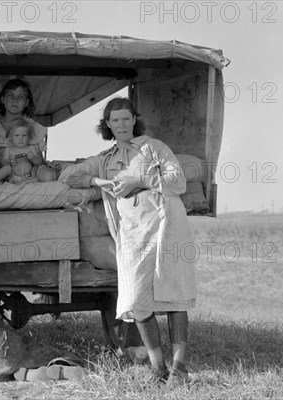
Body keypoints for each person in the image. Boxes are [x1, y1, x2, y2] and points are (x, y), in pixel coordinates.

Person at [61, 98, 196, 385]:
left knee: (174, 293)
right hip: (132, 233)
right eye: (115, 120)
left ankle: (179, 368)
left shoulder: (154, 147)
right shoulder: (105, 159)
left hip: (166, 225)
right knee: (137, 300)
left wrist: (141, 182)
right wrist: (97, 183)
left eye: (126, 119)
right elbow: (68, 176)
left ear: (134, 120)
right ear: (107, 125)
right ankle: (157, 368)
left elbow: (177, 181)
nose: (121, 125)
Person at [0, 79, 58, 182]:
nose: (15, 100)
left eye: (21, 97)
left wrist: (44, 164)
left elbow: (39, 161)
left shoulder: (33, 127)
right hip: (3, 171)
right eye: (11, 96)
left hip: (30, 173)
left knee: (50, 175)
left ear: (26, 102)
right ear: (3, 99)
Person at [0, 118, 43, 184]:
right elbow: (3, 163)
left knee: (37, 169)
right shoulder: (9, 149)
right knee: (7, 168)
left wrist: (33, 158)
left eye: (24, 135)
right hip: (13, 176)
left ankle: (26, 181)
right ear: (10, 137)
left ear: (29, 137)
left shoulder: (31, 148)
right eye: (17, 135)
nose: (20, 138)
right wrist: (10, 161)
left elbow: (39, 162)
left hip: (28, 176)